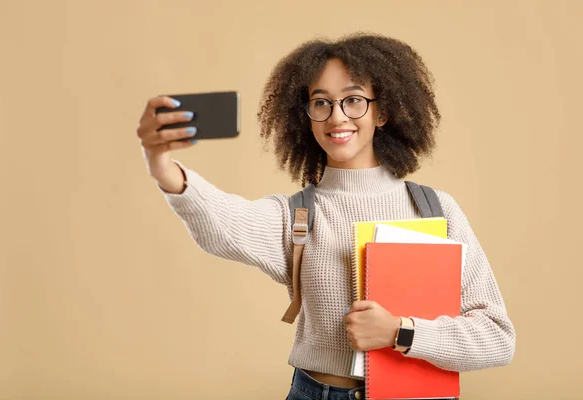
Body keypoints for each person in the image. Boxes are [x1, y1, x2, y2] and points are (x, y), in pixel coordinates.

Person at [136, 33, 516, 399]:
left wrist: (400, 332)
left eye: (353, 100)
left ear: (381, 112)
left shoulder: (436, 210)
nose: (337, 117)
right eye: (321, 103)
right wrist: (162, 166)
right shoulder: (299, 214)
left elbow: (497, 338)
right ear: (307, 116)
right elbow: (224, 223)